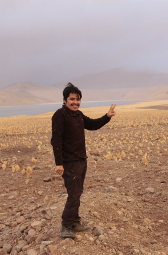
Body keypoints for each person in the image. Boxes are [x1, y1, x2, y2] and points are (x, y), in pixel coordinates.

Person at [51, 83, 116, 238]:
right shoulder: (60, 115)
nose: (75, 102)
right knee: (73, 194)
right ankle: (66, 226)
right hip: (69, 162)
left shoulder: (78, 115)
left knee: (78, 192)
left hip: (81, 160)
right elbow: (56, 140)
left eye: (78, 99)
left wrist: (107, 117)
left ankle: (75, 222)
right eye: (72, 99)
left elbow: (93, 125)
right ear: (65, 100)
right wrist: (59, 163)